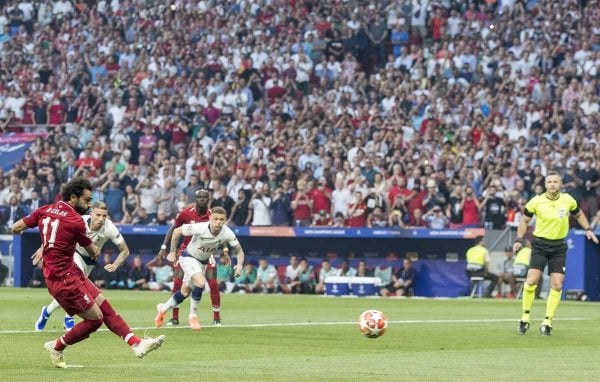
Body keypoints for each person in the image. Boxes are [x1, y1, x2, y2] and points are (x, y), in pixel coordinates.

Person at [11, 178, 164, 368]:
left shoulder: (44, 210)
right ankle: (56, 346)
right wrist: (92, 248)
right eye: (87, 200)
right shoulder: (76, 221)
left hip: (70, 272)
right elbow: (94, 252)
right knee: (96, 319)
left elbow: (15, 227)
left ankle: (137, 344)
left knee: (103, 304)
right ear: (73, 197)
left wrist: (46, 245)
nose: (89, 205)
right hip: (65, 279)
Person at [513, 171, 598, 336]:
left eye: (555, 182)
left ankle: (547, 322)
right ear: (545, 184)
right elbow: (524, 220)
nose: (552, 184)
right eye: (549, 181)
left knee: (557, 284)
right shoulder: (536, 201)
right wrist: (519, 239)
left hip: (559, 246)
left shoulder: (568, 200)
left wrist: (587, 229)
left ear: (560, 184)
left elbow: (578, 214)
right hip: (540, 244)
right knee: (531, 280)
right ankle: (525, 318)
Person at [34, 201, 132, 332]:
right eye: (98, 215)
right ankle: (68, 317)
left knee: (71, 290)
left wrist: (115, 265)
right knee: (75, 287)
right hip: (73, 255)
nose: (101, 219)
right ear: (91, 213)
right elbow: (57, 234)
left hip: (90, 262)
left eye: (104, 216)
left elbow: (125, 250)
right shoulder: (79, 221)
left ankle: (47, 311)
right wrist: (42, 248)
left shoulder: (110, 228)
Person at [155, 207, 244, 331]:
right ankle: (193, 316)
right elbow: (176, 232)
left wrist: (239, 265)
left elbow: (239, 251)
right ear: (210, 218)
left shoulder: (227, 232)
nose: (218, 222)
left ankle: (162, 309)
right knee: (201, 282)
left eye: (222, 220)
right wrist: (172, 252)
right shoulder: (200, 227)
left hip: (203, 263)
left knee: (185, 292)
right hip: (188, 258)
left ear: (225, 220)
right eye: (216, 219)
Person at [157, 189, 222, 326]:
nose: (203, 199)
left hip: (205, 253)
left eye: (205, 197)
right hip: (186, 253)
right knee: (177, 283)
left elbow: (221, 233)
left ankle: (217, 318)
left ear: (209, 199)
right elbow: (173, 229)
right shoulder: (186, 213)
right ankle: (175, 317)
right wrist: (164, 247)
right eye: (200, 197)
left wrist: (226, 249)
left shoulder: (212, 215)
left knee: (213, 283)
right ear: (195, 198)